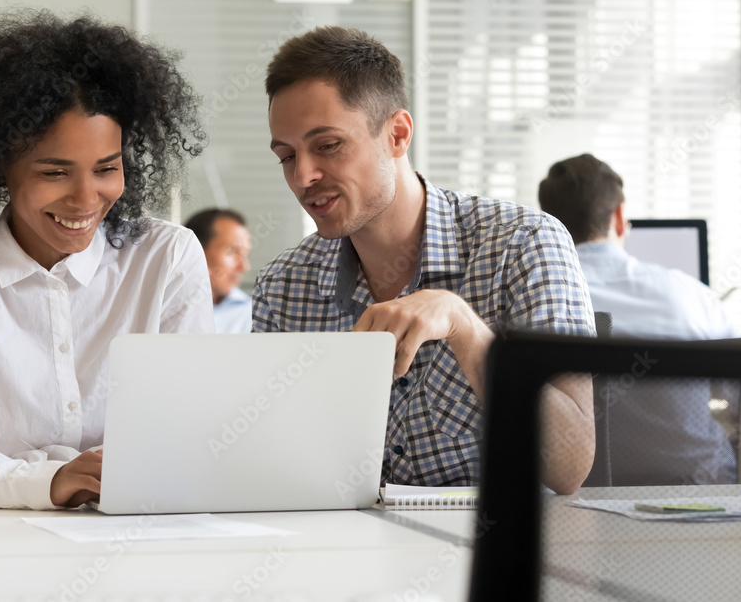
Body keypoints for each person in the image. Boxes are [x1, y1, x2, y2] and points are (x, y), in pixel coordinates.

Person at [253, 26, 597, 494]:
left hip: (492, 556)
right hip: (343, 553)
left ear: (396, 134)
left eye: (328, 146)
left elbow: (570, 468)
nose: (304, 176)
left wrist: (465, 326)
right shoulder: (284, 286)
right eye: (286, 156)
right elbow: (270, 464)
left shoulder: (523, 245)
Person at [0, 9, 213, 509]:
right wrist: (42, 482)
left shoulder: (166, 258)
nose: (86, 198)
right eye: (55, 172)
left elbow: (194, 430)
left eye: (106, 168)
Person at [539, 153, 741, 485]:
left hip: (576, 506)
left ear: (548, 222)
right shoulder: (691, 296)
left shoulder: (538, 300)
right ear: (619, 217)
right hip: (699, 504)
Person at [184, 208, 253, 333]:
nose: (244, 267)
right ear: (196, 252)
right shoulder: (162, 308)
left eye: (245, 254)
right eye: (232, 252)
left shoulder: (254, 316)